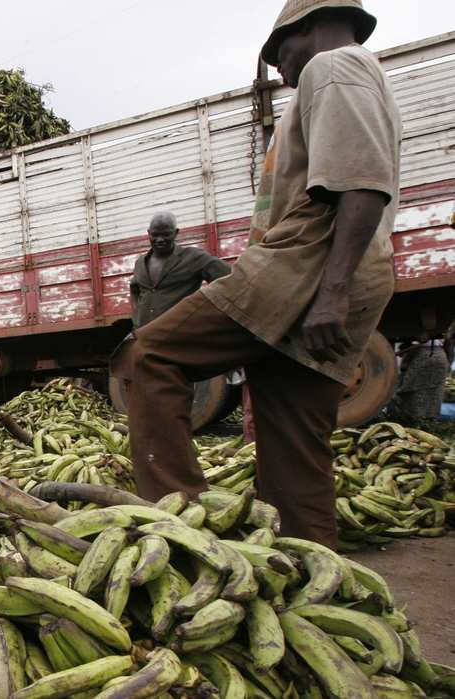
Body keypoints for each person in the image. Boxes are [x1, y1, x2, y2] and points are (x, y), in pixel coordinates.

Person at [111, 0, 399, 548]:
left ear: (305, 28)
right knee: (293, 441)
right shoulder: (361, 73)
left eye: (279, 55)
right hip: (343, 269)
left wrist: (330, 291)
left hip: (304, 263)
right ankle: (312, 569)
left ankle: (185, 523)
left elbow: (362, 183)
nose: (279, 71)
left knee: (148, 355)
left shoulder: (333, 66)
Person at [129, 211, 231, 329]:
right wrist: (136, 316)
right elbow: (134, 289)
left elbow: (229, 279)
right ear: (148, 233)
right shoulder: (140, 262)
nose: (160, 239)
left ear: (176, 233)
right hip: (144, 335)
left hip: (179, 335)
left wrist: (205, 310)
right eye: (155, 235)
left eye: (166, 234)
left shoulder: (193, 257)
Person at [391, 341, 447, 421]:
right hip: (438, 357)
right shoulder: (435, 348)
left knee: (412, 395)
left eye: (401, 356)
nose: (400, 357)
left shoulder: (416, 351)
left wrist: (397, 391)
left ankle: (414, 420)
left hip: (426, 359)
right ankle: (425, 419)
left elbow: (404, 370)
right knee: (431, 394)